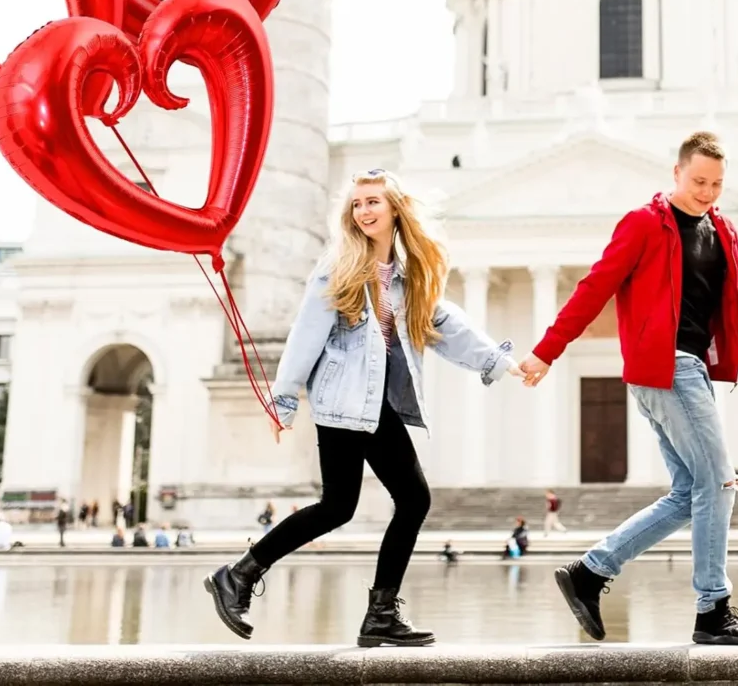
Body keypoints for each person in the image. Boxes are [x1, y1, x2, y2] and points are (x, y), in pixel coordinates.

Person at [519, 131, 738, 646]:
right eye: (698, 181)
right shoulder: (644, 223)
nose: (708, 191)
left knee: (692, 492)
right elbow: (594, 287)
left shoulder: (724, 231)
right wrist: (547, 350)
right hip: (665, 367)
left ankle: (590, 572)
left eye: (717, 183)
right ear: (676, 173)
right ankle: (713, 608)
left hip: (694, 371)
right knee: (721, 482)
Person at [205, 168, 521, 647]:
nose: (364, 211)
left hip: (374, 404)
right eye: (357, 204)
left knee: (349, 505)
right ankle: (267, 583)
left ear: (395, 208)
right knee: (393, 501)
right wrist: (284, 399)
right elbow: (306, 331)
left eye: (373, 201)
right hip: (342, 400)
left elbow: (444, 323)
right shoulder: (340, 264)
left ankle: (250, 578)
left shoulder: (407, 274)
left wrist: (496, 360)